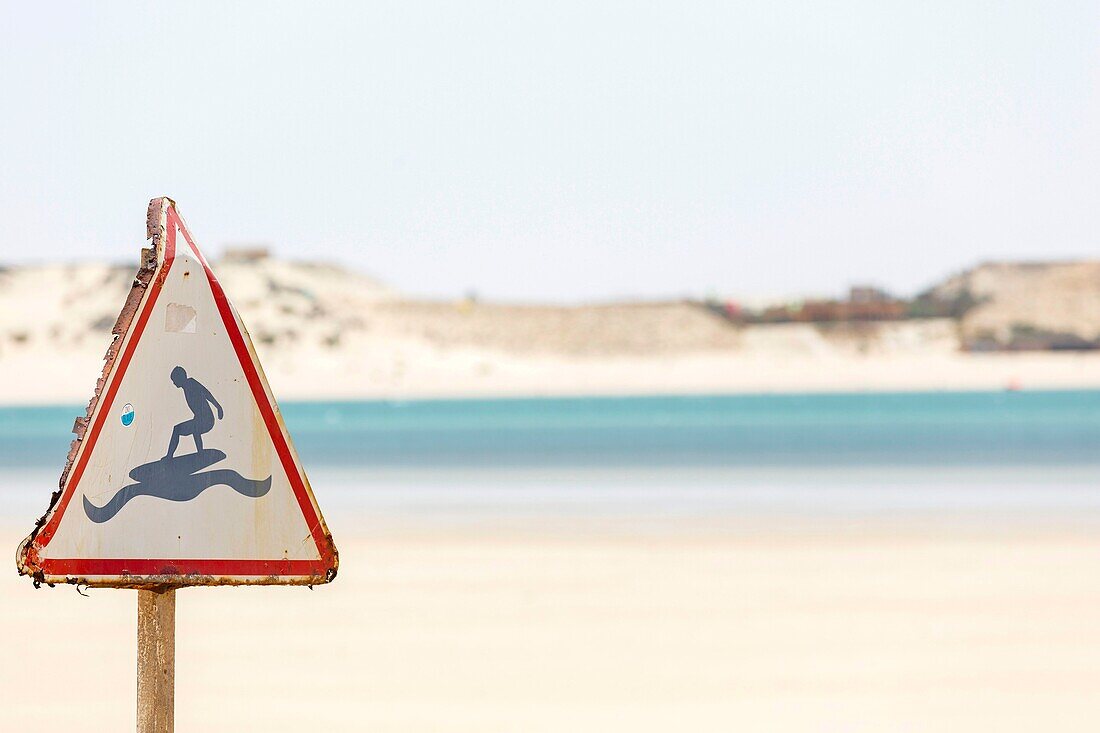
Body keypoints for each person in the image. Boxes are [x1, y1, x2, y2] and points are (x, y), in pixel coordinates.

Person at [164, 366, 223, 458]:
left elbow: (206, 393)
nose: (174, 383)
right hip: (200, 419)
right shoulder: (186, 386)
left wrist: (218, 407)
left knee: (179, 429)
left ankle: (170, 456)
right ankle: (200, 453)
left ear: (180, 378)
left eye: (174, 380)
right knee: (193, 428)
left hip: (207, 420)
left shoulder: (191, 383)